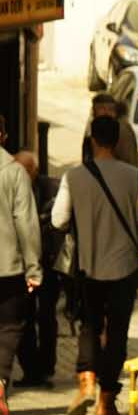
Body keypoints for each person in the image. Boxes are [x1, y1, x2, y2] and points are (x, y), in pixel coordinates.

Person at [53, 113, 138, 415]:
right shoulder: (135, 176)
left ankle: (87, 382)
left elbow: (58, 220)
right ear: (116, 141)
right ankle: (106, 402)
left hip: (87, 266)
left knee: (89, 326)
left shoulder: (73, 177)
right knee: (117, 332)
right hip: (124, 265)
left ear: (92, 141)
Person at [0, 147, 42, 415]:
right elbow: (26, 223)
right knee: (9, 326)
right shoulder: (14, 172)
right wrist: (33, 268)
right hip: (7, 267)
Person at [13, 152, 60, 390]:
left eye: (25, 171)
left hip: (48, 263)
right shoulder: (11, 188)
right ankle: (31, 370)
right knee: (24, 317)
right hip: (21, 264)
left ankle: (46, 367)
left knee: (47, 315)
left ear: (34, 171)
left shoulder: (51, 189)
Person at [85, 92, 138, 167]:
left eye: (110, 109)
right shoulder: (95, 127)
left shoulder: (121, 130)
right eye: (101, 108)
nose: (106, 112)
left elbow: (129, 161)